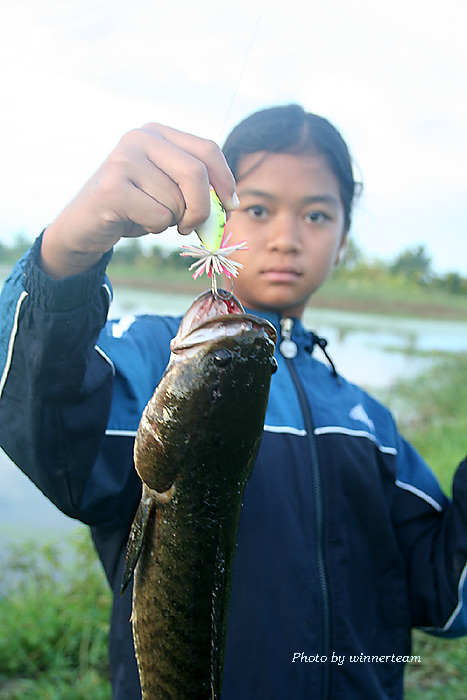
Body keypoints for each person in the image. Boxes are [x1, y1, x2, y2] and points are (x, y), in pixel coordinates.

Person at [0, 104, 466, 700]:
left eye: (317, 214)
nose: (285, 237)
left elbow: (444, 591)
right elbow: (43, 423)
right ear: (217, 208)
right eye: (259, 207)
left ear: (344, 240)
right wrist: (67, 255)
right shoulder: (149, 358)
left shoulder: (372, 426)